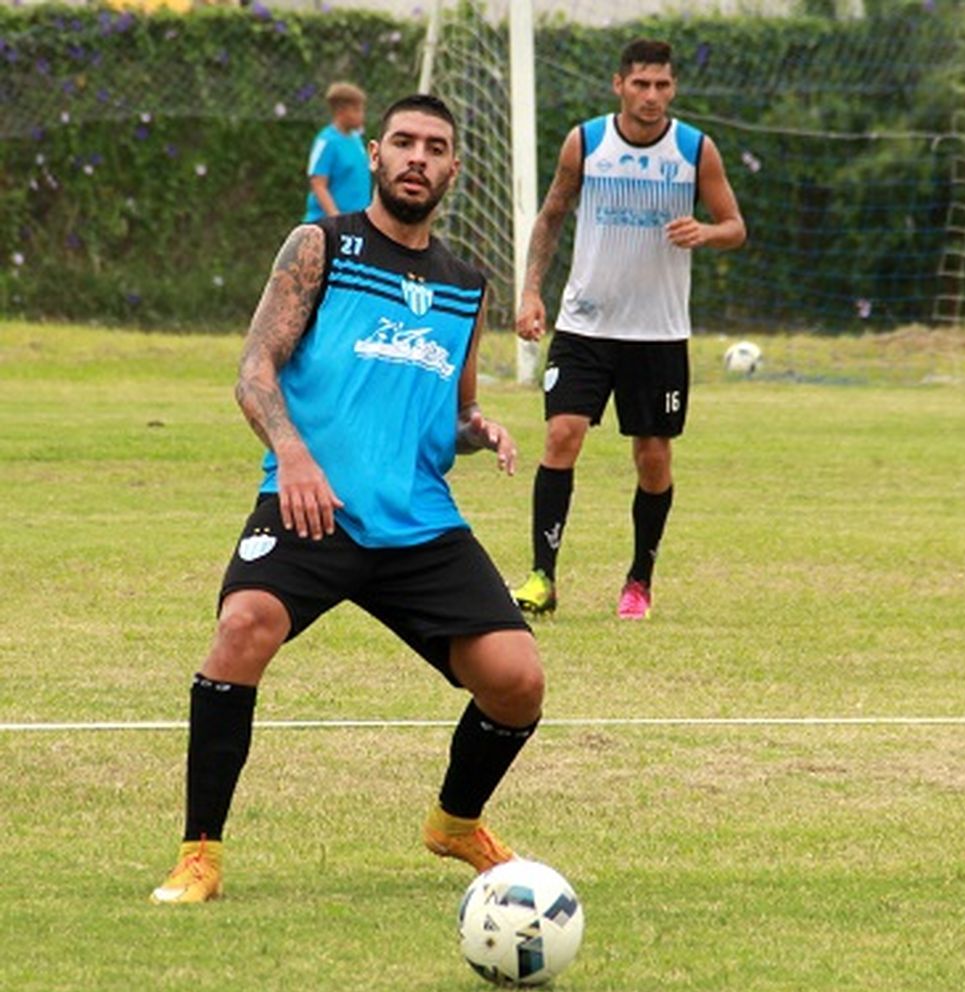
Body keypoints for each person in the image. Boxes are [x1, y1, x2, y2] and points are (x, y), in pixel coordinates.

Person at [151, 95, 543, 903]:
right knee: (241, 628)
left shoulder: (466, 285)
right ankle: (200, 854)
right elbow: (254, 370)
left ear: (453, 169)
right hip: (312, 506)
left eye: (435, 147)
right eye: (403, 141)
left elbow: (454, 408)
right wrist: (292, 457)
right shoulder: (321, 246)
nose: (416, 157)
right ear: (374, 152)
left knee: (517, 681)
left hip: (419, 523)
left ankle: (456, 824)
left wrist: (480, 430)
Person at [512, 37, 746, 620]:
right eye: (640, 84)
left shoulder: (695, 150)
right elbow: (551, 217)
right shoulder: (586, 142)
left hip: (658, 333)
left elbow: (735, 225)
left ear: (673, 89)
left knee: (653, 458)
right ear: (619, 85)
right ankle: (543, 576)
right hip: (585, 325)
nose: (652, 96)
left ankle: (639, 581)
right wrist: (531, 292)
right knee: (562, 436)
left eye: (662, 85)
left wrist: (707, 233)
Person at [303, 82, 371, 222]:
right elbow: (318, 184)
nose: (362, 115)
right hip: (328, 224)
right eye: (357, 110)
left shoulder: (356, 139)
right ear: (342, 111)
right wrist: (336, 218)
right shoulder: (327, 141)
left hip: (356, 222)